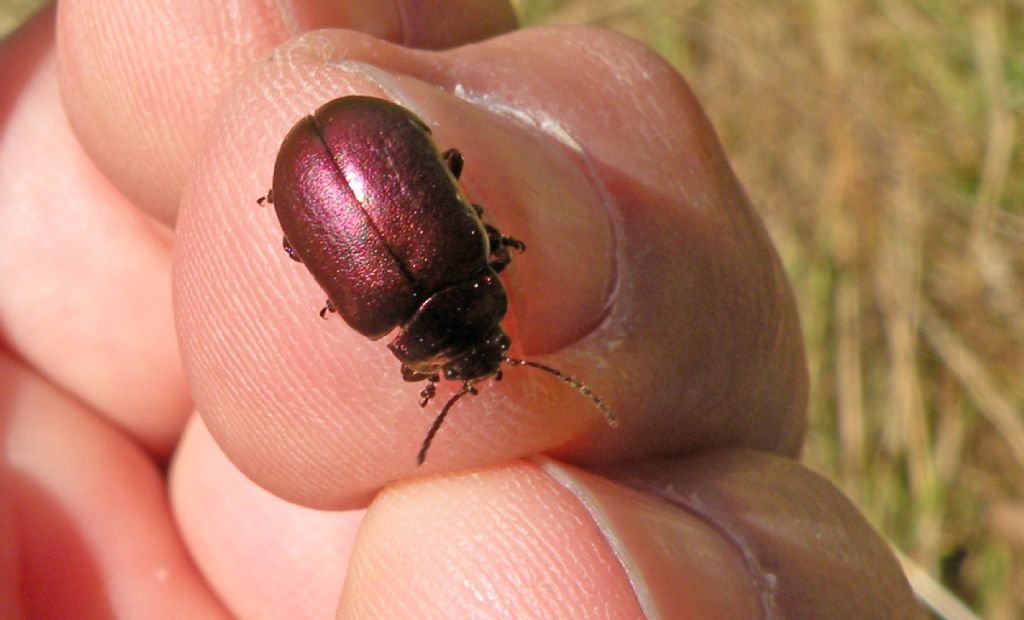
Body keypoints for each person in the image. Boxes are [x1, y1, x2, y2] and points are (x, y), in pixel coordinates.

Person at [1, 1, 922, 617]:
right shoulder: (383, 313)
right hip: (342, 146)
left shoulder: (435, 284)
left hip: (338, 152)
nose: (475, 372)